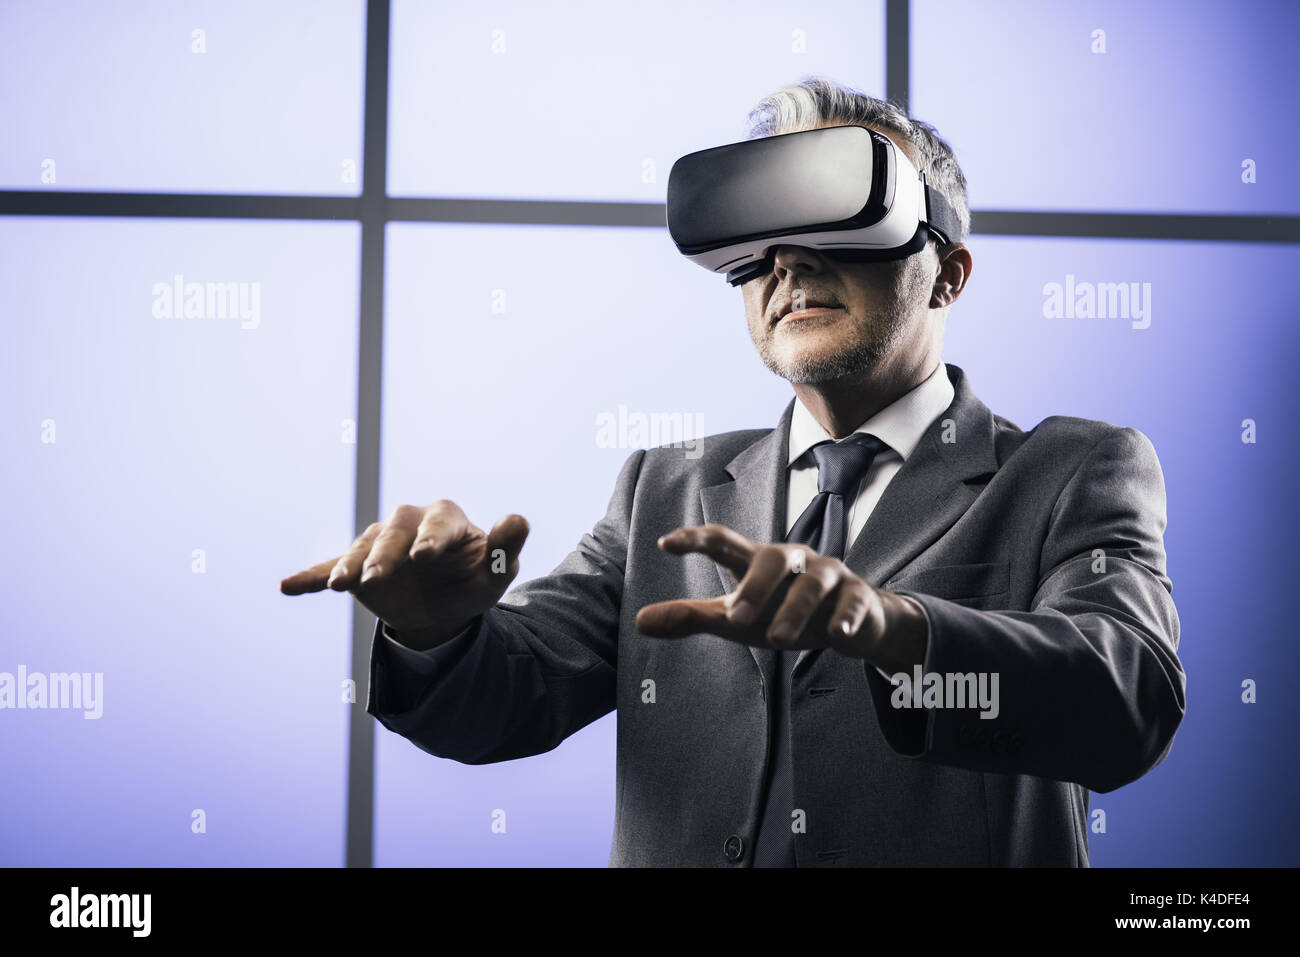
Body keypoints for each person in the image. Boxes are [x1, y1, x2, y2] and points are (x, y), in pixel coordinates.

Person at [280, 78, 1184, 867]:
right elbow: (508, 699)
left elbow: (1125, 699)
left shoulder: (1071, 470)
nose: (789, 260)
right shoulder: (662, 491)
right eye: (759, 238)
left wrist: (898, 629)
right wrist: (433, 635)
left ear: (947, 274)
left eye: (839, 216)